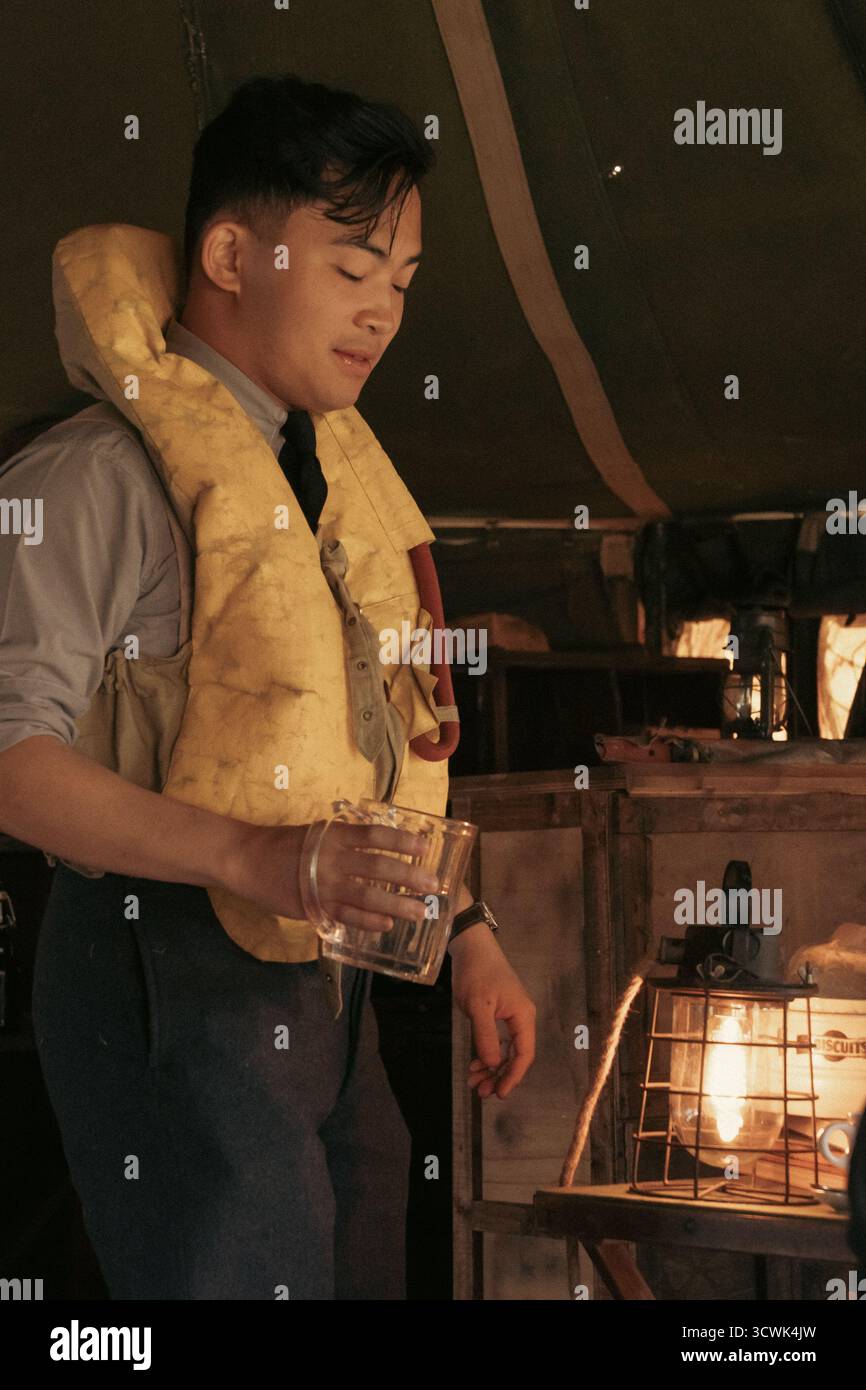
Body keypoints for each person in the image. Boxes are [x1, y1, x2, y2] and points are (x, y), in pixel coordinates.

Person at [0, 72, 535, 1299]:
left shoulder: (334, 488)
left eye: (400, 284)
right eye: (353, 272)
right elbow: (13, 765)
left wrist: (464, 931)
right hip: (162, 972)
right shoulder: (92, 481)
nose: (383, 315)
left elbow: (372, 739)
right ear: (232, 253)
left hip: (330, 993)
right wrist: (257, 858)